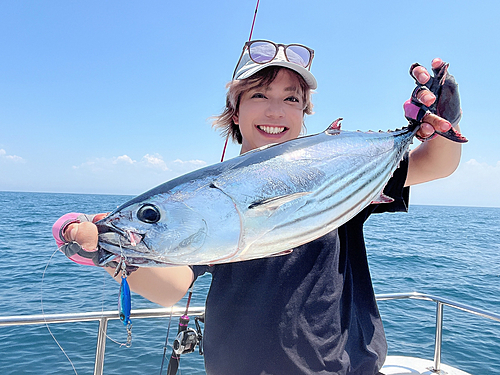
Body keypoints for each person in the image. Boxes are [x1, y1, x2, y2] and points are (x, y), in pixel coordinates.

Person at [52, 40, 462, 375]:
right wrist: (108, 252)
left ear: (305, 111)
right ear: (235, 109)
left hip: (342, 367)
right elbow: (171, 287)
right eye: (259, 95)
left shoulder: (333, 164)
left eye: (291, 98)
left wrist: (445, 114)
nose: (275, 109)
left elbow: (438, 163)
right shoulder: (205, 192)